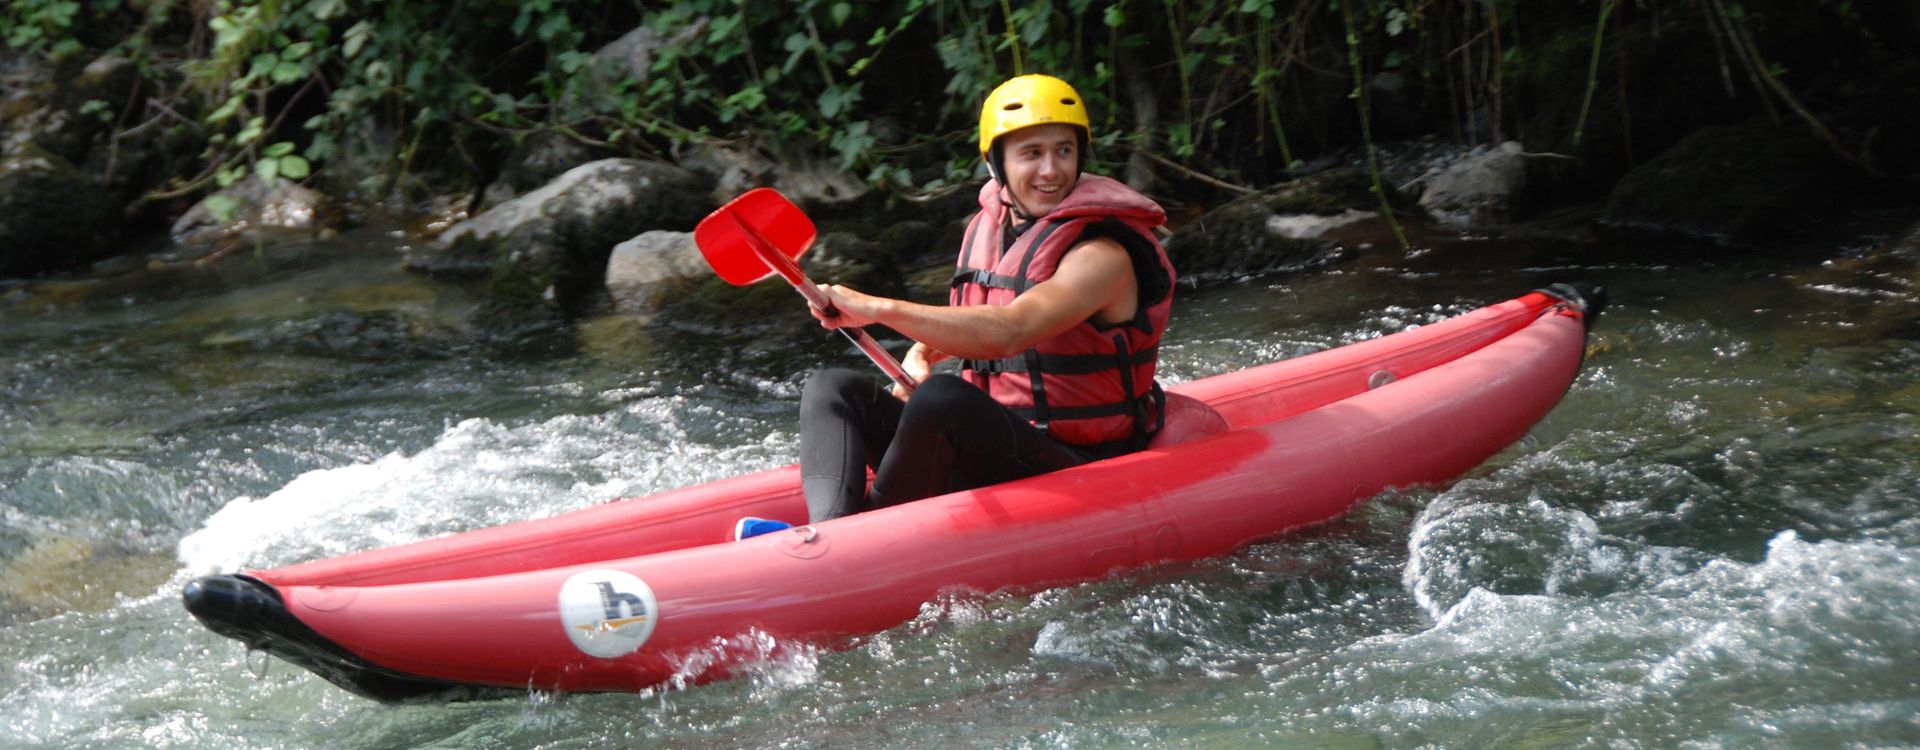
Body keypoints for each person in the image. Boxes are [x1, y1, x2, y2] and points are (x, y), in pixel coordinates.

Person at [736, 74, 1176, 540]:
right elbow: (975, 320)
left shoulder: (1102, 255)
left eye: (1064, 150)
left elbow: (1011, 328)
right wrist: (923, 353)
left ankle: (852, 545)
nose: (1052, 170)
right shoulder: (991, 229)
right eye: (1032, 153)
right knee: (832, 387)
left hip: (1075, 462)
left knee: (942, 399)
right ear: (997, 164)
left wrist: (881, 308)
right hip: (996, 442)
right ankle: (824, 535)